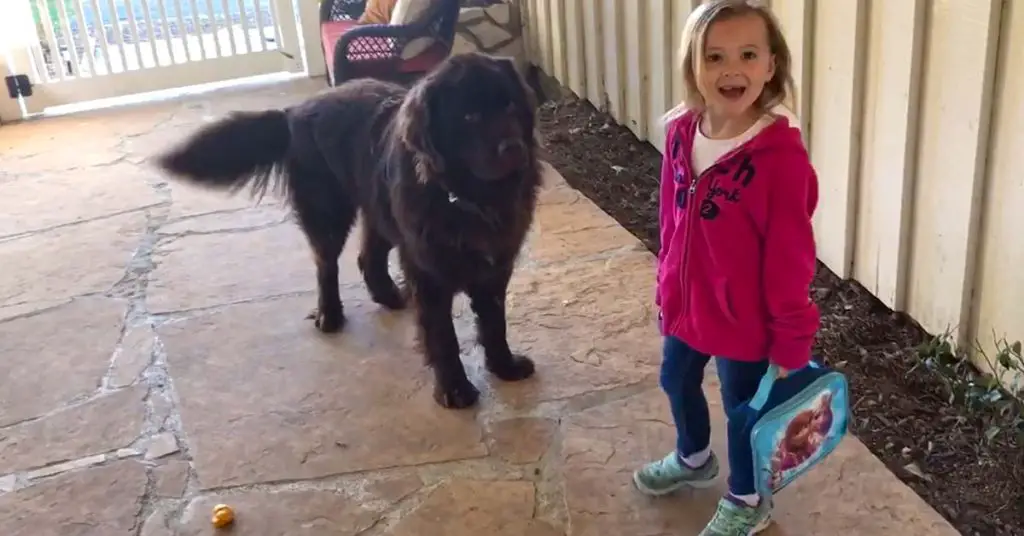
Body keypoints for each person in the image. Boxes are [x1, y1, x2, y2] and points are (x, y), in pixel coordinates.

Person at [631, 1, 820, 534]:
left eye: (747, 54)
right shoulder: (680, 133)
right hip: (689, 303)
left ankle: (747, 496)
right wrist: (666, 282)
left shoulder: (780, 160)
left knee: (744, 410)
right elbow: (670, 216)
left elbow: (791, 257)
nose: (730, 70)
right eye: (714, 56)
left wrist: (790, 340)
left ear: (771, 65)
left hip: (748, 320)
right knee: (675, 377)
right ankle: (693, 457)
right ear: (693, 65)